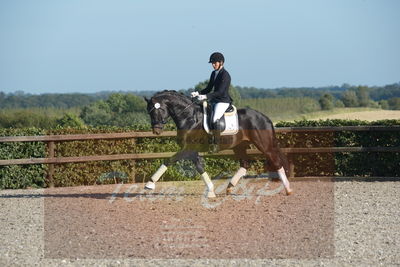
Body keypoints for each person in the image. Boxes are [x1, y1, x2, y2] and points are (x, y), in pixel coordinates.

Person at [191, 52, 233, 153]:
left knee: (215, 118)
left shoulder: (225, 75)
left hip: (223, 101)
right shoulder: (214, 73)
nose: (213, 65)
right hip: (214, 100)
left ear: (221, 62)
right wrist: (198, 93)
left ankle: (216, 144)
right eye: (212, 63)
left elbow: (220, 92)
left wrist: (205, 96)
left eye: (215, 63)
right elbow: (209, 88)